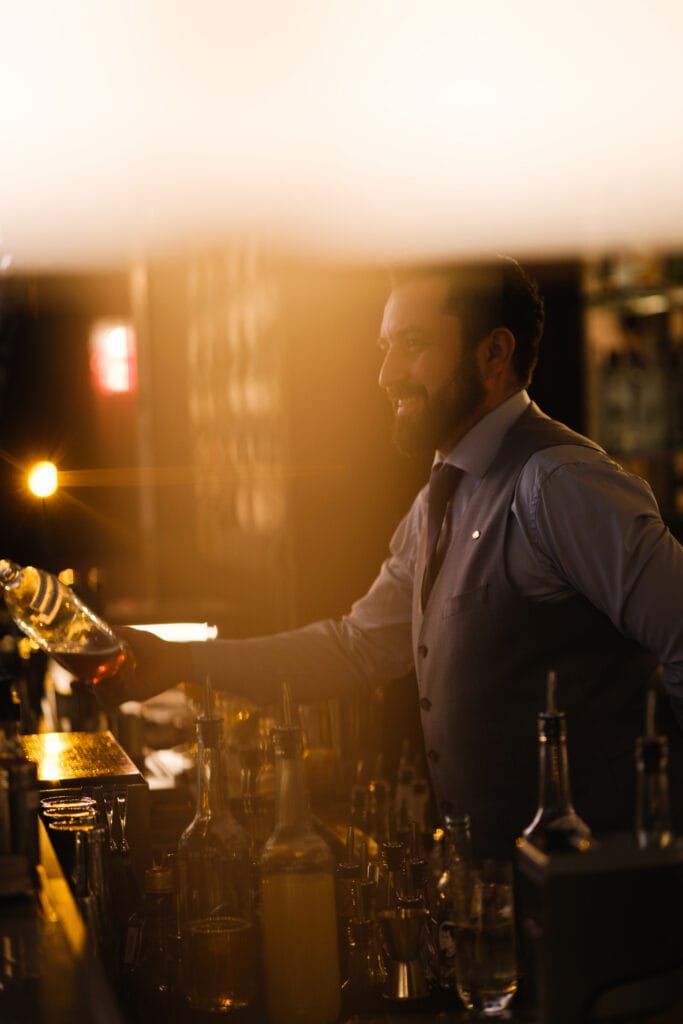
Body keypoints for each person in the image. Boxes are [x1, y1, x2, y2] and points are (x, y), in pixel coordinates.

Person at [100, 257, 683, 859]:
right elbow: (356, 648)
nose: (385, 374)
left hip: (600, 894)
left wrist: (661, 842)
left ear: (494, 354)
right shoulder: (440, 496)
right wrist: (183, 661)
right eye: (385, 347)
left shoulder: (557, 483)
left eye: (413, 344)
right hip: (498, 889)